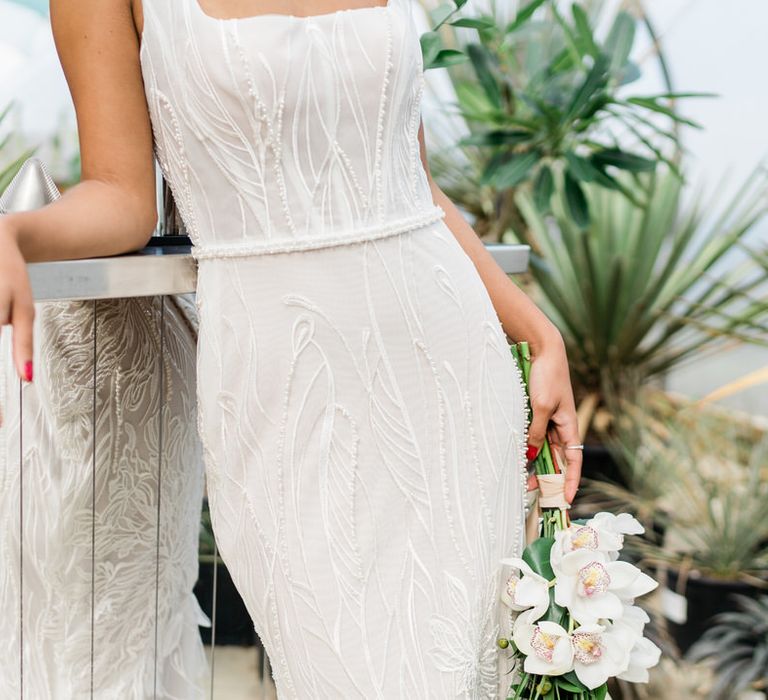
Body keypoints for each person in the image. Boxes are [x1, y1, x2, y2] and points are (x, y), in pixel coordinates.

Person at [0, 0, 583, 697]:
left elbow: (411, 182)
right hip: (284, 395)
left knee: (472, 674)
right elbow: (122, 197)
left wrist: (535, 329)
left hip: (450, 370)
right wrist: (15, 234)